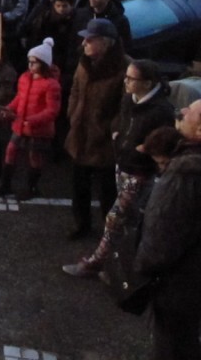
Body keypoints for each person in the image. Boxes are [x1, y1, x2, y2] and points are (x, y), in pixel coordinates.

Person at [63, 59, 174, 278]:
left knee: (115, 217)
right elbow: (120, 120)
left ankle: (96, 262)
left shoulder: (161, 110)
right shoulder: (128, 100)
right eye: (127, 76)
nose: (126, 82)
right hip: (122, 164)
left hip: (140, 170)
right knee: (131, 219)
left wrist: (146, 147)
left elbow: (165, 140)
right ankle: (127, 263)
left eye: (132, 78)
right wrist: (116, 132)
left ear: (148, 83)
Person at [135, 99, 201, 360]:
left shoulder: (187, 171)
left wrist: (141, 267)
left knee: (171, 343)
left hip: (180, 280)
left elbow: (163, 230)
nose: (182, 111)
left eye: (191, 111)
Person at [65, 18, 130, 240]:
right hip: (80, 134)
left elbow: (126, 108)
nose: (84, 44)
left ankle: (109, 230)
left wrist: (110, 129)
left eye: (89, 40)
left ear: (106, 43)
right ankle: (80, 223)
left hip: (104, 140)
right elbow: (75, 88)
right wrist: (72, 114)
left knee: (107, 190)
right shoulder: (84, 63)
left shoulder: (124, 70)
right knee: (79, 185)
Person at [0, 38, 61, 199]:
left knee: (34, 157)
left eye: (34, 62)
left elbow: (52, 110)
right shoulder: (25, 78)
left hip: (36, 128)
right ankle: (6, 184)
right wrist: (9, 108)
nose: (30, 66)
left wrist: (32, 119)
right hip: (21, 124)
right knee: (11, 151)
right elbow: (19, 98)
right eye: (29, 62)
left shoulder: (51, 85)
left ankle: (31, 187)